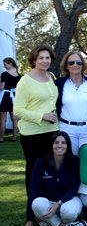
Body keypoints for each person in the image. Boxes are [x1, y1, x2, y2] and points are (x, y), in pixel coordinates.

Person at [14, 44, 59, 195]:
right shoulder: (25, 81)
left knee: (50, 171)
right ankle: (32, 211)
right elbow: (17, 110)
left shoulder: (51, 77)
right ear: (34, 60)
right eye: (41, 58)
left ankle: (47, 206)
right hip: (32, 134)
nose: (45, 61)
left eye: (47, 58)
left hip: (52, 132)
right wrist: (42, 116)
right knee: (34, 171)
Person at [23, 132, 86, 226]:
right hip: (49, 202)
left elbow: (74, 187)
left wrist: (59, 203)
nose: (59, 146)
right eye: (56, 142)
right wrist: (29, 219)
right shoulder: (41, 162)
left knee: (68, 213)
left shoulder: (74, 161)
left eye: (63, 143)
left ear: (68, 145)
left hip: (68, 200)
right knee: (37, 204)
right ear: (51, 145)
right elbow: (33, 190)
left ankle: (47, 222)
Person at [55, 51, 87, 155]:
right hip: (67, 129)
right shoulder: (59, 84)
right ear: (66, 66)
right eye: (71, 63)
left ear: (82, 65)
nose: (75, 65)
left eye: (78, 63)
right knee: (70, 162)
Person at [0, 57, 21, 142]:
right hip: (14, 96)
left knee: (2, 119)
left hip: (5, 96)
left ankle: (1, 138)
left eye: (5, 64)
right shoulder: (18, 75)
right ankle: (14, 137)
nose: (4, 66)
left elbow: (2, 87)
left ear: (10, 63)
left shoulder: (4, 74)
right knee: (14, 118)